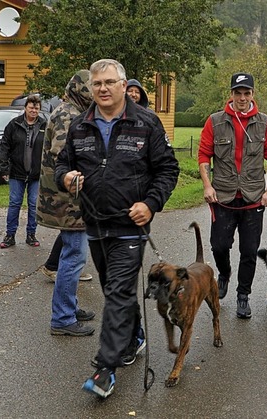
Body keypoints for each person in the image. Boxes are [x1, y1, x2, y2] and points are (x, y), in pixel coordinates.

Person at [55, 59, 179, 399]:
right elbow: (63, 164)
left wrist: (150, 204)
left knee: (119, 293)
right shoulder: (80, 126)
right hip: (94, 224)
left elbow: (168, 169)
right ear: (91, 88)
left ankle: (105, 369)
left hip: (129, 227)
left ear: (125, 86)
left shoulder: (147, 123)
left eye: (110, 82)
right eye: (97, 84)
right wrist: (65, 177)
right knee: (115, 290)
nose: (103, 89)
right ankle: (135, 336)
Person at [198, 72, 267, 319]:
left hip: (253, 196)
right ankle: (224, 273)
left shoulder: (265, 122)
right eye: (238, 93)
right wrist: (207, 186)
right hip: (222, 196)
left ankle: (243, 295)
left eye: (247, 93)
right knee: (219, 245)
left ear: (253, 94)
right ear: (231, 94)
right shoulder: (215, 121)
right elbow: (204, 155)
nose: (242, 98)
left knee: (249, 250)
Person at [36, 70, 96, 336]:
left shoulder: (73, 111)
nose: (96, 93)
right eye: (92, 87)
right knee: (73, 256)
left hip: (70, 198)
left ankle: (69, 307)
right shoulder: (67, 114)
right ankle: (62, 318)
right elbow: (63, 153)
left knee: (72, 255)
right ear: (81, 89)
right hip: (66, 200)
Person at [0, 94, 46, 248]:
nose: (34, 110)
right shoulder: (14, 125)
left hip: (36, 174)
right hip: (16, 172)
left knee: (33, 204)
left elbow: (49, 149)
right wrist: (4, 167)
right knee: (14, 204)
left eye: (36, 108)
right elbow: (4, 146)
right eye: (31, 107)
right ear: (25, 108)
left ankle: (31, 235)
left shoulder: (44, 126)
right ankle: (10, 235)